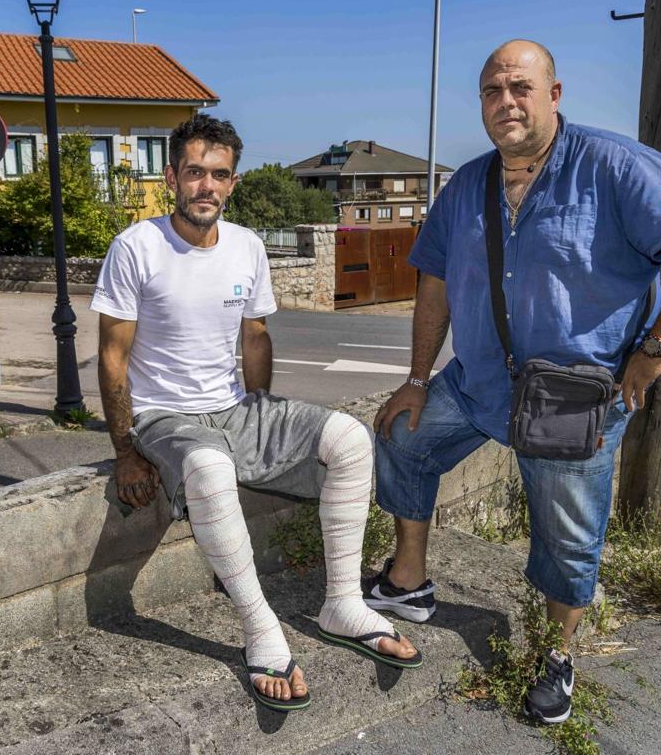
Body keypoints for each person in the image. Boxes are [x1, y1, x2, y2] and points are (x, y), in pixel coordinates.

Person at [365, 40, 661, 725]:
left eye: (519, 87)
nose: (505, 101)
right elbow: (435, 282)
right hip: (478, 386)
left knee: (565, 534)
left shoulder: (614, 166)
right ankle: (408, 581)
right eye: (491, 91)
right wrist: (418, 377)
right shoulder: (467, 184)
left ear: (553, 94)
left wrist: (656, 350)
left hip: (574, 398)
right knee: (403, 439)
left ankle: (558, 654)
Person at [92, 113, 419, 712]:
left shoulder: (245, 246)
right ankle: (260, 628)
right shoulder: (136, 247)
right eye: (194, 173)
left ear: (233, 182)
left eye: (218, 175)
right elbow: (112, 356)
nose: (206, 187)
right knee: (212, 470)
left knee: (348, 438)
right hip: (166, 417)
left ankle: (342, 604)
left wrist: (263, 419)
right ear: (171, 177)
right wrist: (124, 450)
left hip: (237, 407)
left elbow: (256, 338)